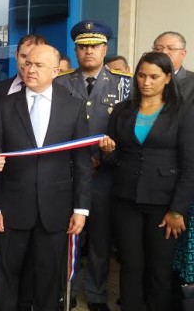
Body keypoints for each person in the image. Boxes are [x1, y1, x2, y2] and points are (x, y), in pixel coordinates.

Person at [0, 44, 91, 311]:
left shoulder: (74, 107)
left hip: (55, 209)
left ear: (56, 71)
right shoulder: (3, 106)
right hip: (10, 208)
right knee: (8, 277)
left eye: (39, 65)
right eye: (27, 63)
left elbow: (81, 163)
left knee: (49, 279)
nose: (30, 69)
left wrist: (81, 209)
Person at [99, 51, 194, 310]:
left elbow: (190, 165)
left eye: (154, 76)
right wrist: (108, 152)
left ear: (167, 78)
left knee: (159, 269)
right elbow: (113, 159)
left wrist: (177, 210)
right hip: (125, 198)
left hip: (164, 203)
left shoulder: (182, 111)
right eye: (141, 75)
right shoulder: (121, 109)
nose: (146, 82)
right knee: (130, 264)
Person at [55, 20, 132, 311]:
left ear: (105, 48)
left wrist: (104, 158)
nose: (89, 51)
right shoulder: (61, 82)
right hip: (68, 172)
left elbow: (129, 128)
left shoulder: (124, 83)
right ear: (75, 49)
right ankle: (68, 290)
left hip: (105, 174)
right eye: (83, 46)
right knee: (70, 235)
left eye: (95, 46)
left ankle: (97, 294)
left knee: (100, 237)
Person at [0, 33, 48, 311]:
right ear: (16, 57)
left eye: (36, 60)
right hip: (7, 190)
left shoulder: (58, 94)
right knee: (8, 260)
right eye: (23, 58)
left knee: (37, 260)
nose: (29, 66)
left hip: (44, 195)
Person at [0, 34, 48, 104]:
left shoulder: (60, 93)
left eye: (36, 57)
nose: (28, 63)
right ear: (16, 55)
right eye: (24, 56)